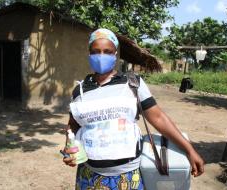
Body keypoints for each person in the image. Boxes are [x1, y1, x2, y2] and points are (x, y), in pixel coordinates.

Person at [62, 28, 204, 190]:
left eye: (107, 51)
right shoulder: (80, 90)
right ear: (89, 54)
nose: (101, 56)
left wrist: (189, 149)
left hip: (127, 178)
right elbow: (73, 125)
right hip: (88, 176)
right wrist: (70, 148)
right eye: (96, 52)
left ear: (115, 54)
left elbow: (158, 118)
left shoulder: (132, 83)